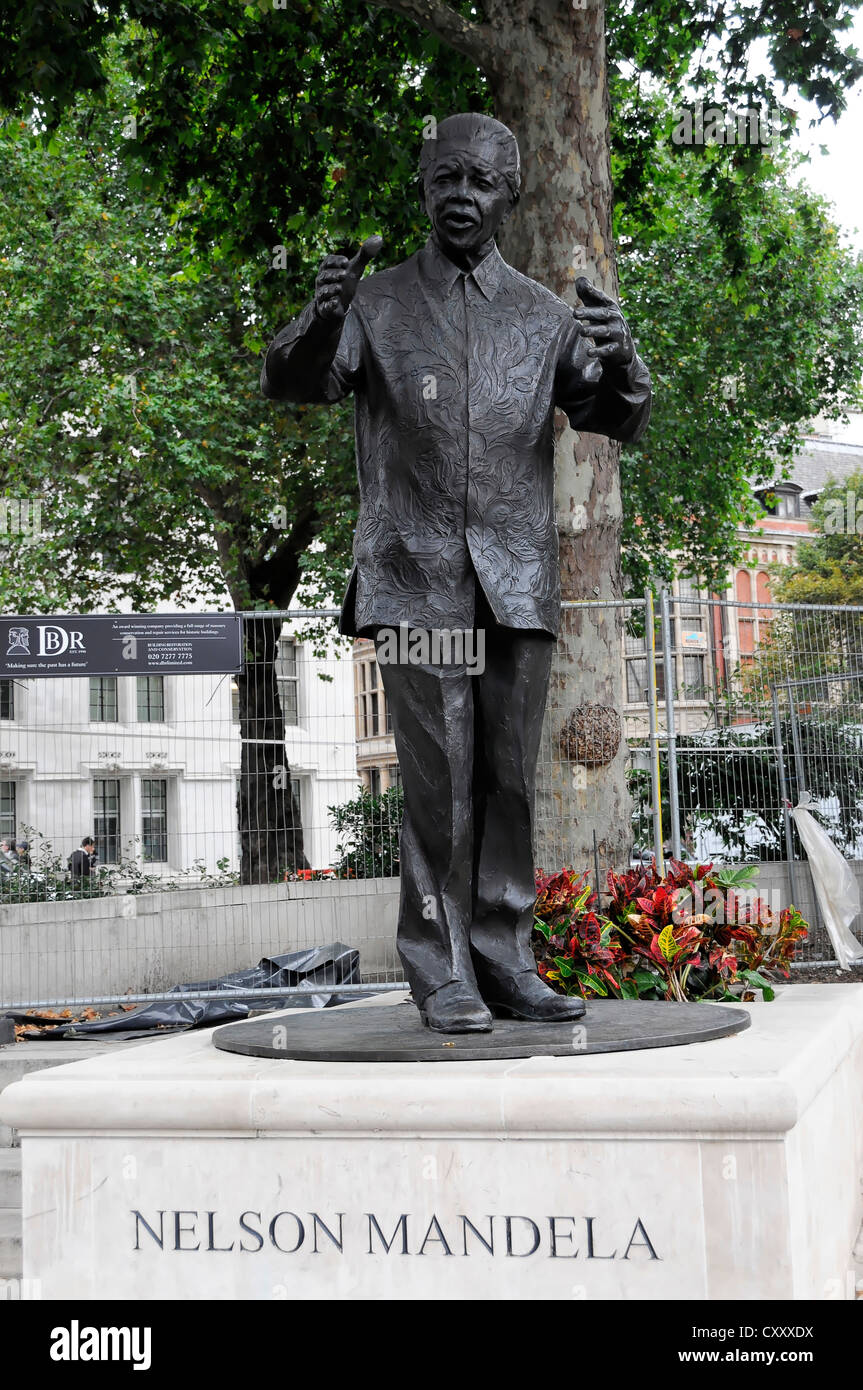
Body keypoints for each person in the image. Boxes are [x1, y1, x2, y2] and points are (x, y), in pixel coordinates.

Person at [261, 113, 652, 1033]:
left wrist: (628, 360)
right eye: (445, 181)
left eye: (480, 183)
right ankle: (438, 968)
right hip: (414, 579)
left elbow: (615, 416)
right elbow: (295, 380)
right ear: (424, 188)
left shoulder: (544, 317)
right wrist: (316, 319)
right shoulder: (377, 303)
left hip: (514, 582)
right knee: (437, 784)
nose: (461, 199)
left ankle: (504, 958)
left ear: (509, 195)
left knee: (508, 780)